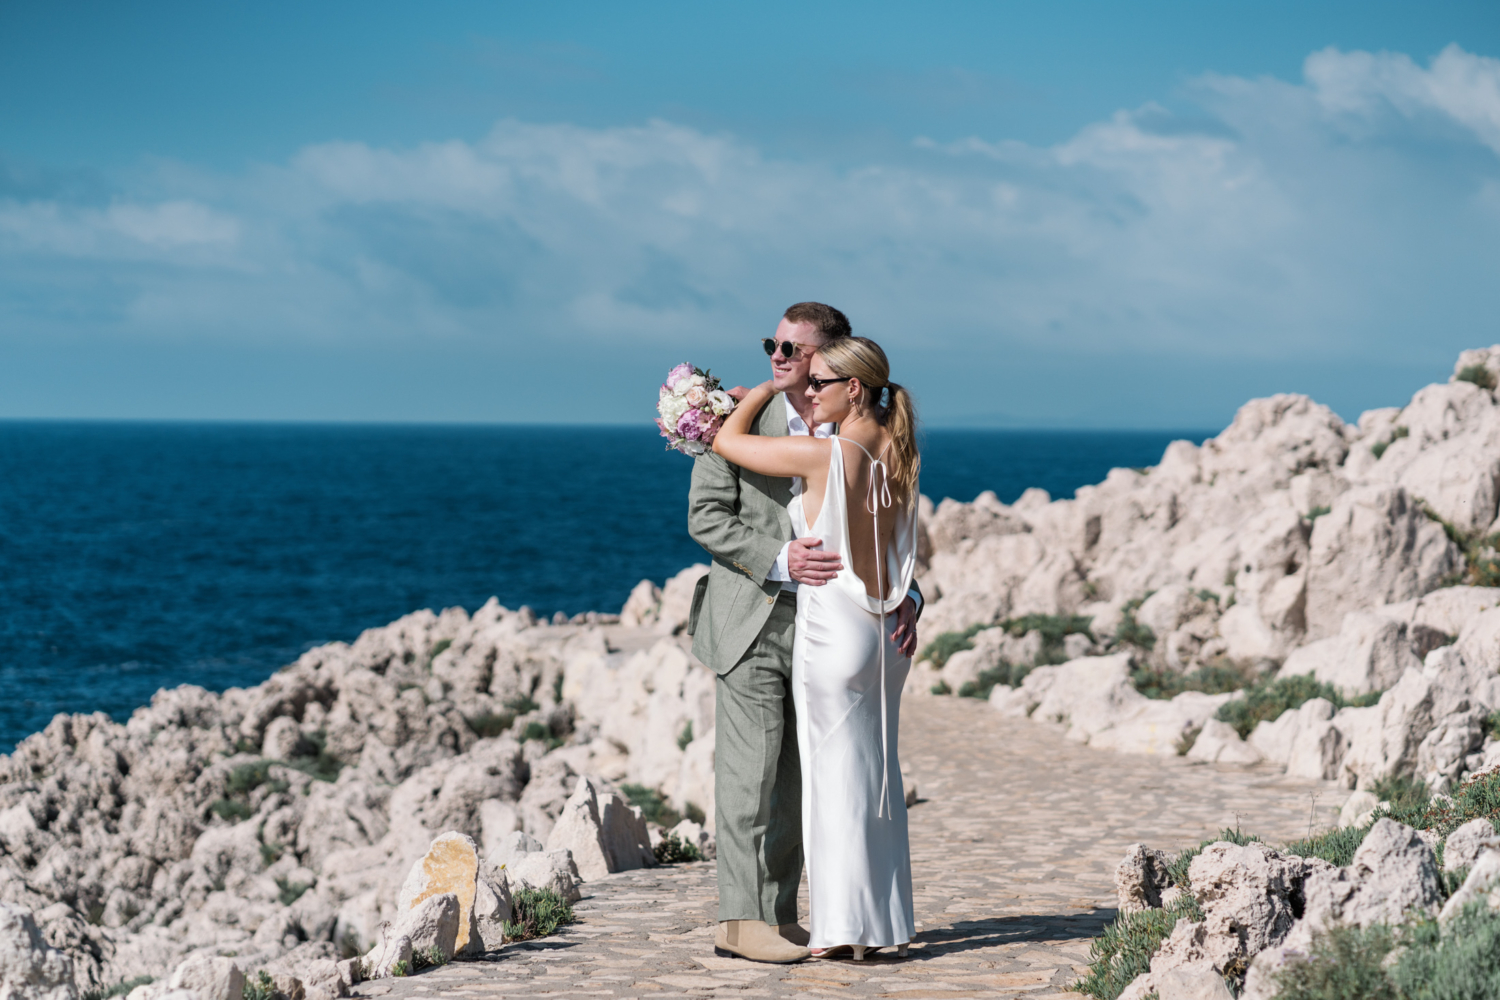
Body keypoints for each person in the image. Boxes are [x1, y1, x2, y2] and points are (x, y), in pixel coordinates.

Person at [686, 305, 921, 964]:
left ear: (836, 365)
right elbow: (705, 517)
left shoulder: (833, 437)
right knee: (753, 775)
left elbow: (892, 531)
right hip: (754, 620)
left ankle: (797, 916)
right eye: (774, 344)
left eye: (798, 351)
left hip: (828, 626)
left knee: (810, 782)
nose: (782, 358)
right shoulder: (867, 432)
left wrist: (909, 596)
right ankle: (745, 919)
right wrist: (778, 556)